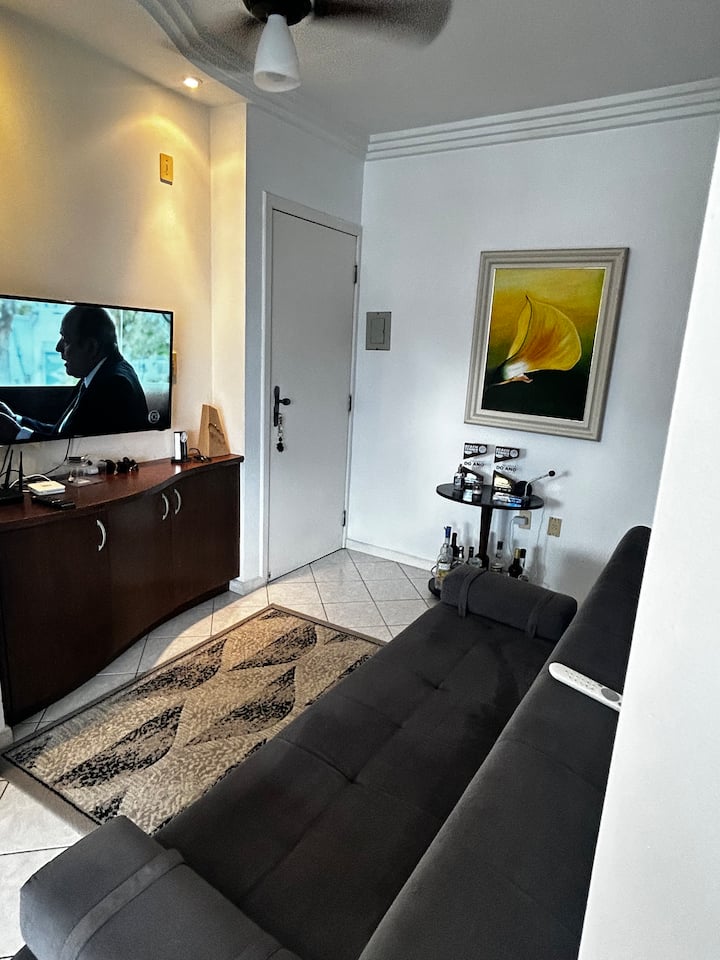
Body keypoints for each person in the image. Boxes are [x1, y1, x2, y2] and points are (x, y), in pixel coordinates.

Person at [0, 304, 149, 442]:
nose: (58, 347)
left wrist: (16, 434)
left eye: (66, 340)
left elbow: (72, 450)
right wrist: (16, 420)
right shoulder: (97, 375)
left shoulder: (113, 386)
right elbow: (61, 434)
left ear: (91, 347)